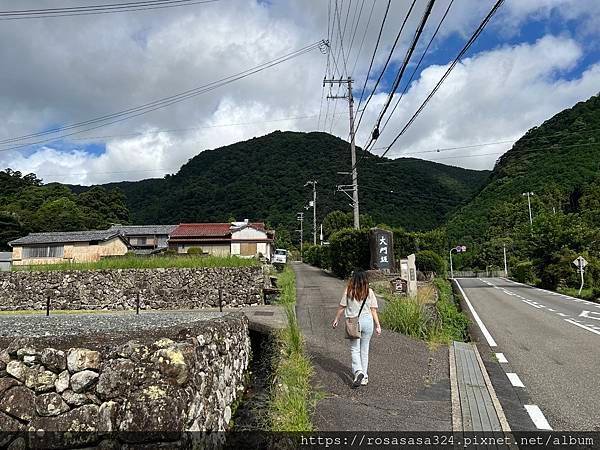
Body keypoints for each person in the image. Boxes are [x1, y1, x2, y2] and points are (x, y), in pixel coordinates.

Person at [331, 270, 381, 388]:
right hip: (368, 322)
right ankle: (364, 377)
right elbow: (373, 310)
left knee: (355, 349)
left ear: (353, 280)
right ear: (365, 280)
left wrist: (336, 319)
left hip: (353, 322)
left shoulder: (349, 291)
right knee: (365, 350)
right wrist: (378, 325)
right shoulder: (370, 292)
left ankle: (358, 372)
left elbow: (342, 307)